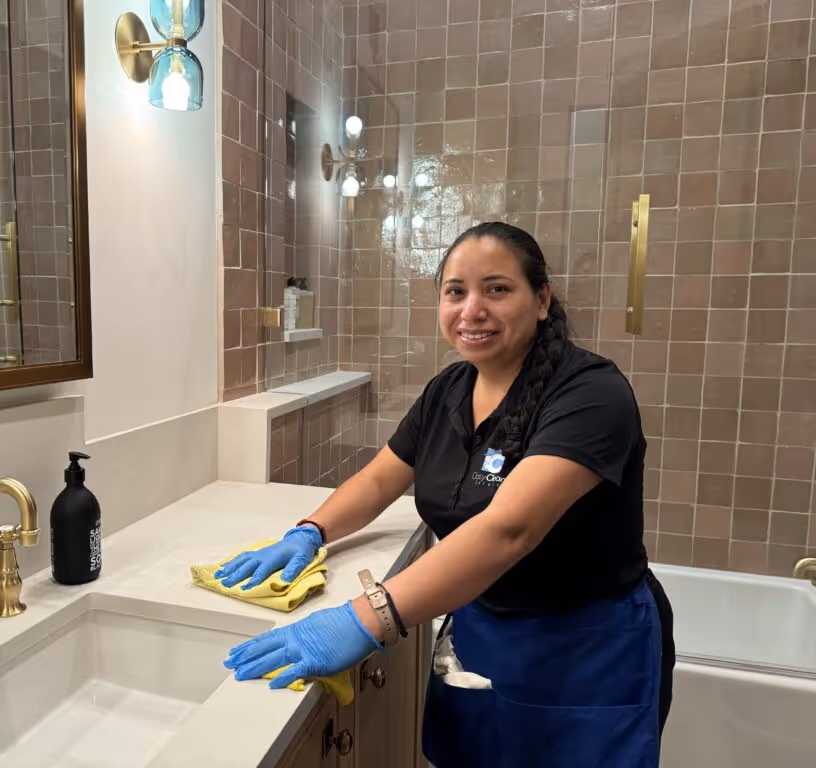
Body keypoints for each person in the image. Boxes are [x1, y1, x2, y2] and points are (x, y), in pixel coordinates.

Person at [219, 222, 675, 767]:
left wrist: (367, 617)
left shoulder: (591, 393)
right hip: (483, 632)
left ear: (542, 299)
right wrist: (309, 531)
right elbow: (379, 480)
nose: (472, 309)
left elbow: (510, 528)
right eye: (456, 291)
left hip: (584, 647)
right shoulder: (448, 390)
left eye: (497, 289)